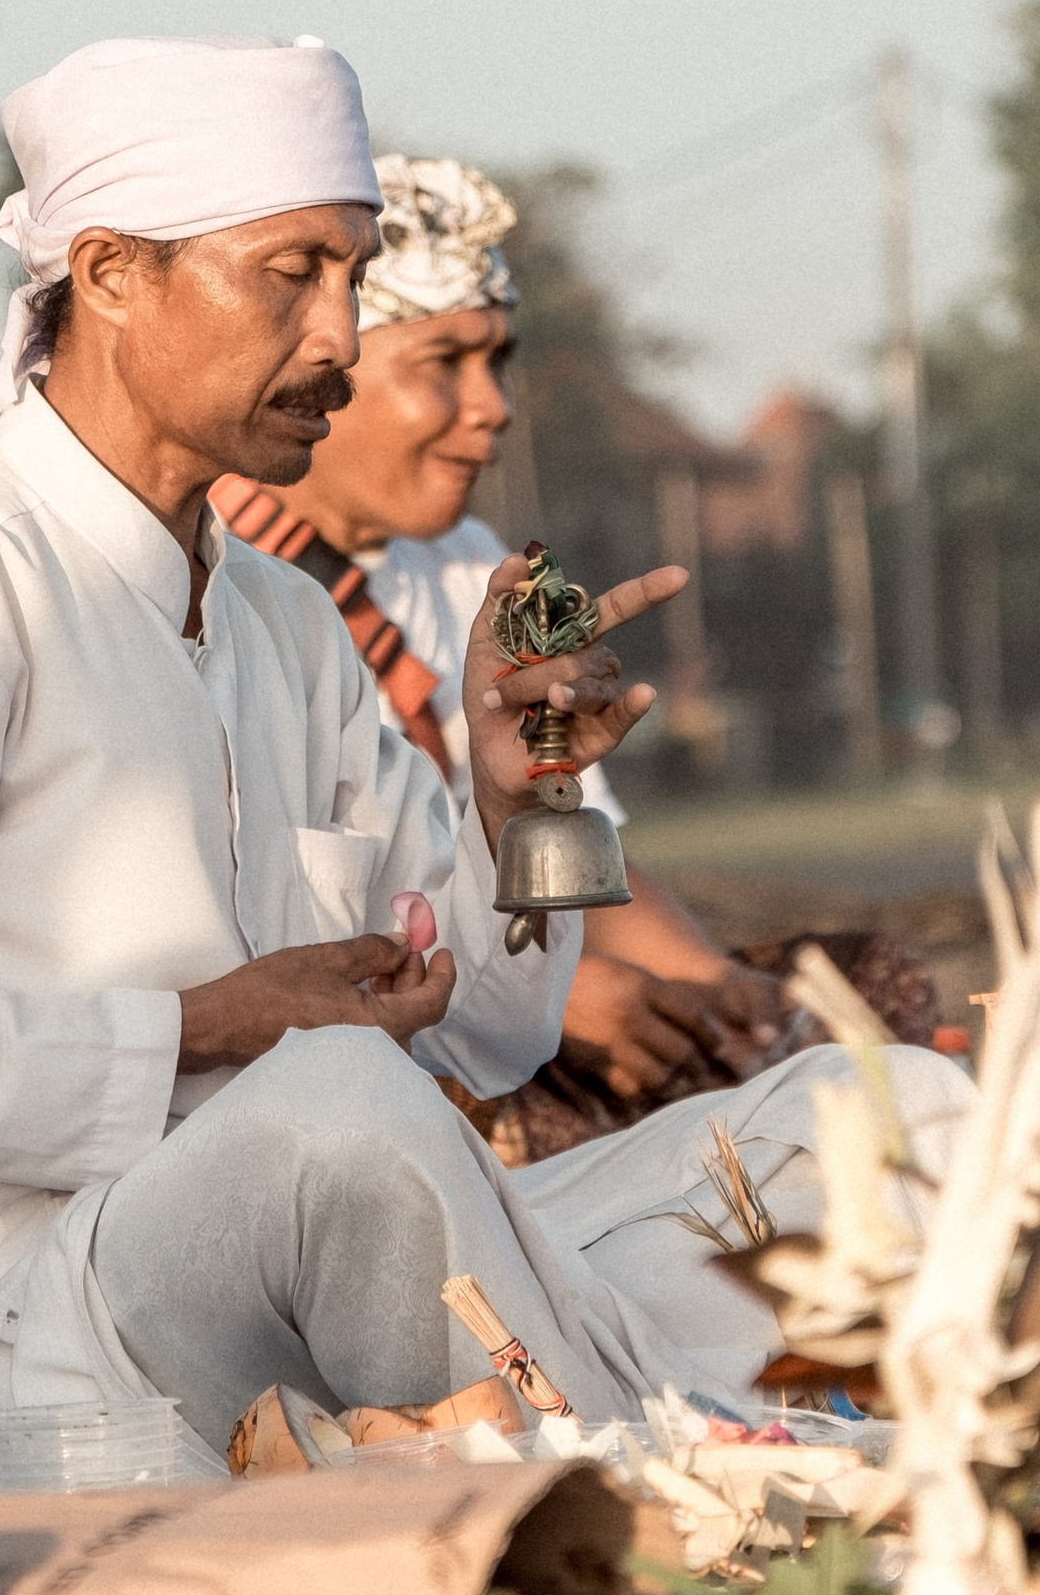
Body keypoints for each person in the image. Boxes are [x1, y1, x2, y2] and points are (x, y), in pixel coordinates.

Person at [0, 37, 968, 1477]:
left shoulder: (282, 618)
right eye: (289, 274)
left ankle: (638, 1430)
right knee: (338, 1102)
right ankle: (691, 1464)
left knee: (886, 1112)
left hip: (323, 1281)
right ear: (109, 274)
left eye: (352, 277)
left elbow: (495, 1030)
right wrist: (208, 1028)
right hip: (17, 1337)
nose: (340, 336)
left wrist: (529, 795)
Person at [210, 154, 804, 1133]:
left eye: (496, 359)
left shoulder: (480, 567)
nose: (493, 405)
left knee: (845, 999)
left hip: (498, 980)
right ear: (328, 374)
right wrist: (554, 997)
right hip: (362, 1041)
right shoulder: (223, 580)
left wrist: (712, 979)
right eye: (441, 363)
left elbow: (568, 839)